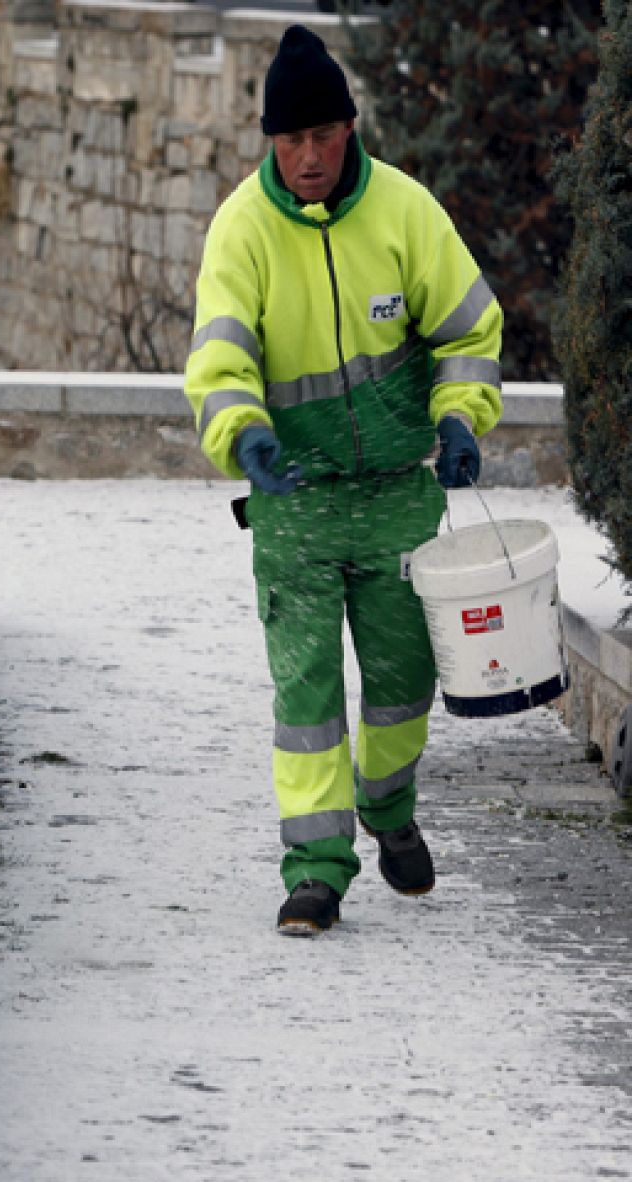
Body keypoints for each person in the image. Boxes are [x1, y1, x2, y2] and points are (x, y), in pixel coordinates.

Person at [184, 25, 502, 936]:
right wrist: (241, 434)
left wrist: (458, 417)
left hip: (400, 495)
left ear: (350, 128)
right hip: (296, 506)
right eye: (291, 141)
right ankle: (316, 872)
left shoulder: (405, 213)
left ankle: (389, 808)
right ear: (269, 141)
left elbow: (470, 333)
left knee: (405, 685)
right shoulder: (242, 228)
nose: (310, 157)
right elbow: (220, 355)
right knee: (308, 696)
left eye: (324, 137)